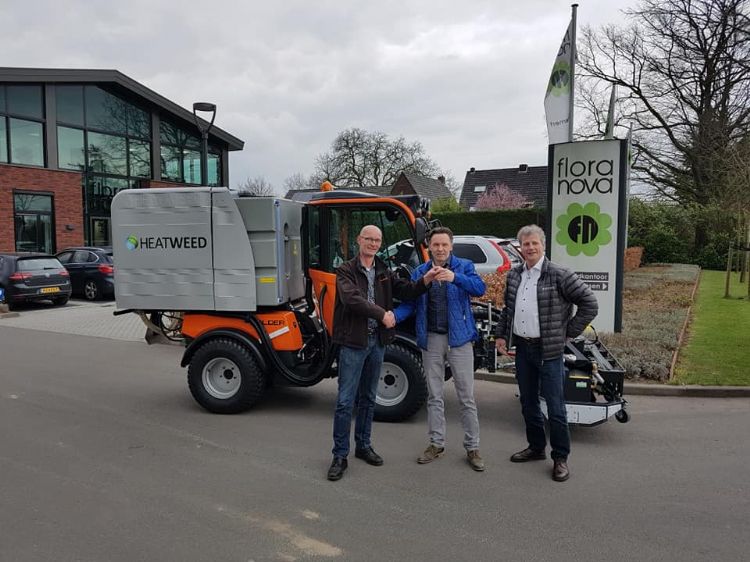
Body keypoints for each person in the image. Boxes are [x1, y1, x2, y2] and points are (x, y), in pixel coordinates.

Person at [327, 225, 438, 481]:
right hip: (353, 343)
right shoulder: (345, 270)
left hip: (376, 342)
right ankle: (340, 455)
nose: (374, 243)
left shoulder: (383, 270)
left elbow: (406, 290)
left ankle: (363, 446)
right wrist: (382, 314)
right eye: (369, 239)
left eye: (377, 240)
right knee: (345, 402)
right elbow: (352, 299)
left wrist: (426, 281)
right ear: (359, 240)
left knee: (368, 398)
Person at [495, 224, 598, 482]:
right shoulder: (516, 275)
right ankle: (536, 447)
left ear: (543, 246)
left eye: (534, 244)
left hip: (549, 351)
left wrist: (568, 332)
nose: (529, 248)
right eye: (525, 244)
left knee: (555, 407)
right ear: (520, 248)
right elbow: (508, 310)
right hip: (523, 349)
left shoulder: (559, 274)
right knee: (528, 402)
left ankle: (560, 458)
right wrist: (500, 335)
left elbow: (590, 303)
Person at [394, 226, 487, 471]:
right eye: (436, 245)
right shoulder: (421, 271)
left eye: (444, 245)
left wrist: (455, 278)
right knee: (434, 395)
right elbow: (410, 304)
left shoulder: (463, 266)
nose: (440, 249)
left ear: (451, 246)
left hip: (459, 339)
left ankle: (473, 447)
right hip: (431, 339)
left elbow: (480, 289)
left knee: (466, 397)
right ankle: (436, 443)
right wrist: (390, 316)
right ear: (429, 247)